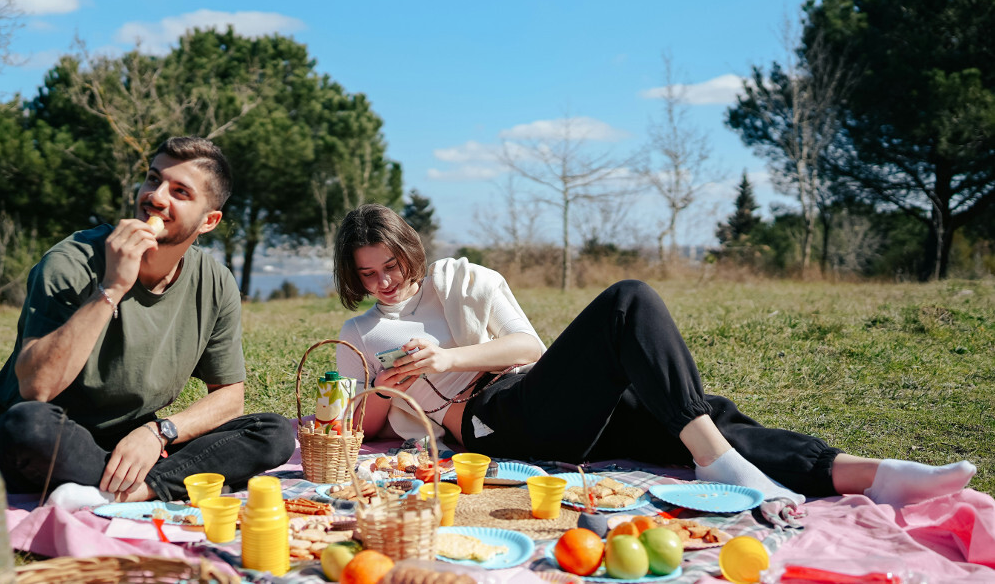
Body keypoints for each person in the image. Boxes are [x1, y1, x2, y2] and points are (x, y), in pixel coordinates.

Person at [332, 203, 976, 507]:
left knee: (698, 415)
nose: (386, 282)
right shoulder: (358, 333)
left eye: (393, 265)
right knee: (628, 300)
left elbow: (529, 347)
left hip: (532, 392)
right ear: (353, 277)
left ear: (411, 252)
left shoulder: (464, 281)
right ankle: (720, 462)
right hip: (493, 424)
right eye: (369, 274)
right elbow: (366, 430)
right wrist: (388, 386)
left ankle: (873, 474)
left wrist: (446, 358)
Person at [0, 137, 294, 503]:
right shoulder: (71, 262)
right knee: (25, 427)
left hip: (136, 443)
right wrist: (112, 286)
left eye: (180, 191)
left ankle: (131, 491)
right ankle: (166, 485)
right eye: (152, 179)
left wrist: (158, 432)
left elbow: (229, 397)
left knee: (273, 432)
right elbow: (37, 388)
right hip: (56, 435)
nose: (156, 196)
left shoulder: (215, 282)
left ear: (209, 221)